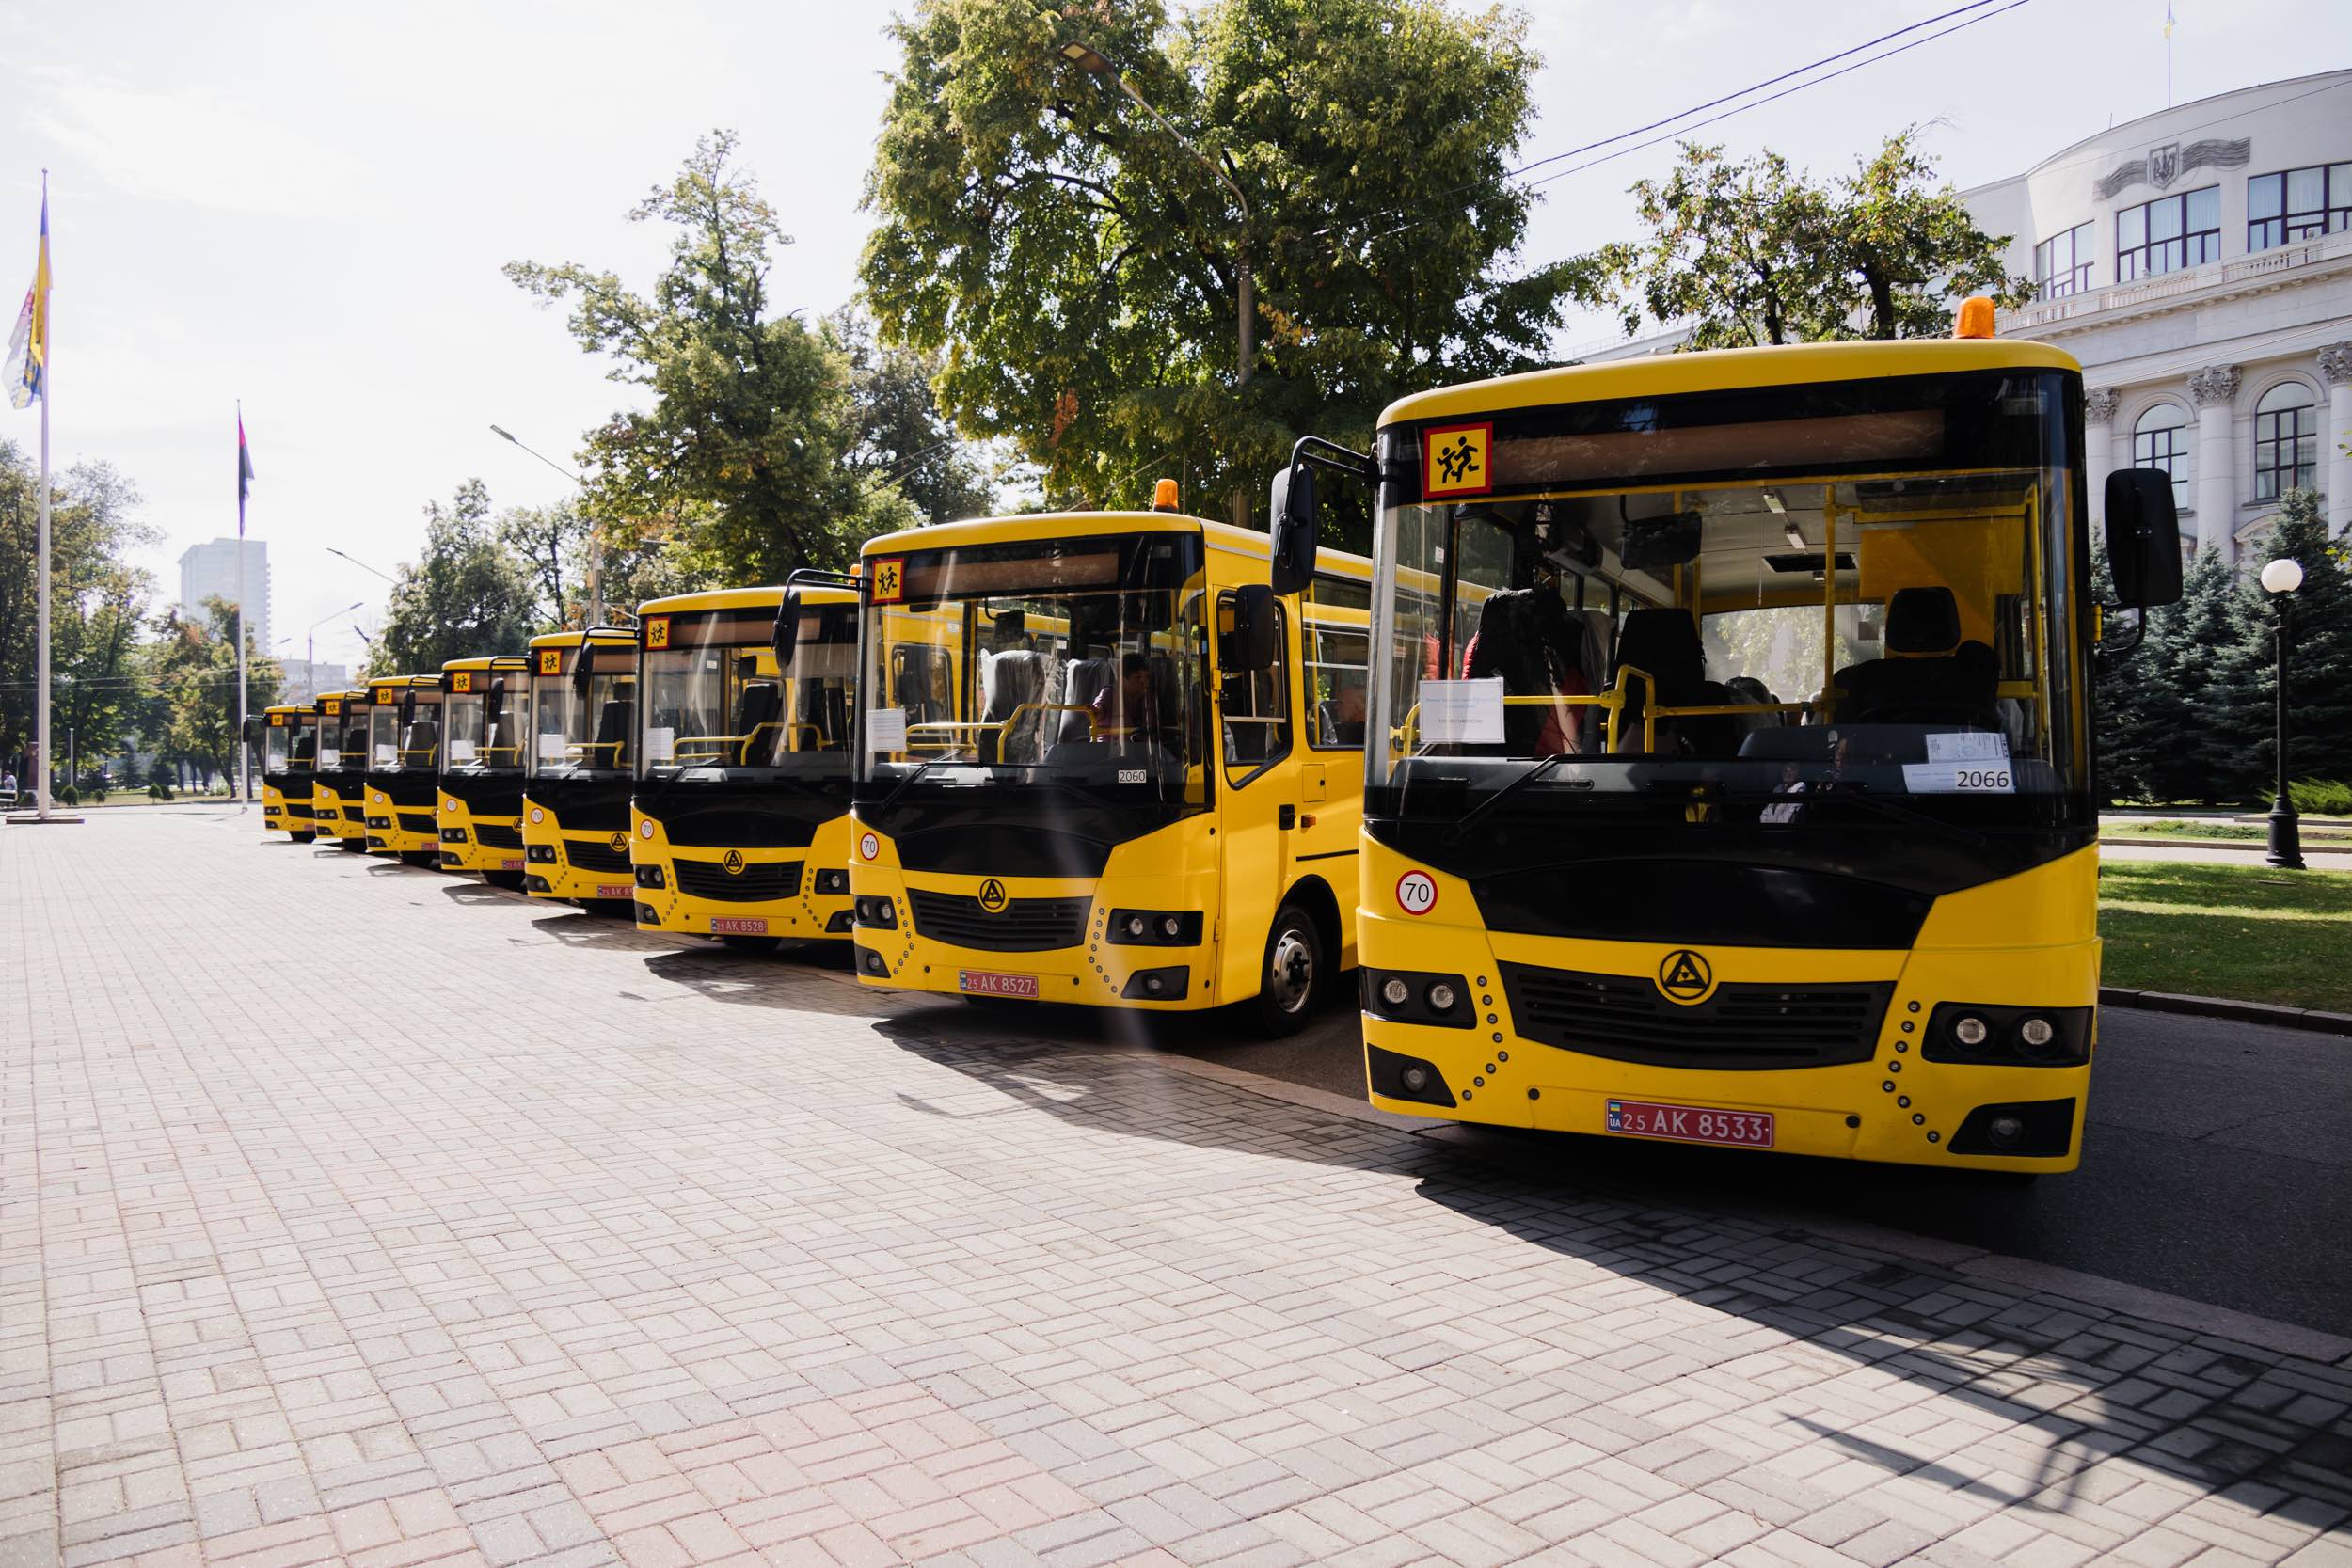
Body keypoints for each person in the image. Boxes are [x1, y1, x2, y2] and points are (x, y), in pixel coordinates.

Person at [1090, 652, 1158, 738]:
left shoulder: (1148, 699)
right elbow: (1099, 710)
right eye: (1138, 678)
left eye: (1147, 677)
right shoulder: (1108, 694)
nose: (1144, 682)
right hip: (1107, 749)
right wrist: (1097, 713)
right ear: (1122, 680)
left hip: (1138, 750)